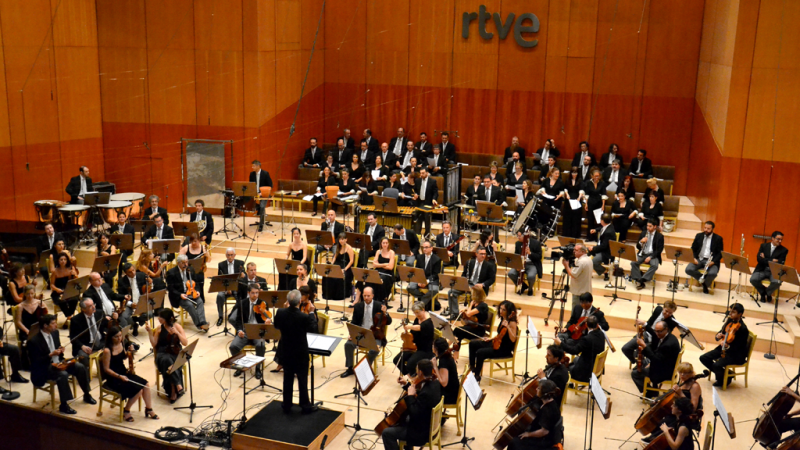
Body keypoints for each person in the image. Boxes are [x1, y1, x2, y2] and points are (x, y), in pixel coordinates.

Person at [29, 314, 94, 414]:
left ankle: (87, 394)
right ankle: (64, 405)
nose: (56, 325)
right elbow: (35, 361)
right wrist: (50, 355)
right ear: (45, 326)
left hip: (59, 362)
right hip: (44, 368)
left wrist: (60, 350)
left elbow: (57, 347)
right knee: (63, 375)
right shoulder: (34, 341)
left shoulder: (55, 333)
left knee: (79, 367)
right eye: (53, 323)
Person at [381, 359, 442, 450]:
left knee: (387, 433)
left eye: (417, 370)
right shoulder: (435, 383)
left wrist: (410, 396)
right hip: (428, 425)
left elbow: (414, 413)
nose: (416, 373)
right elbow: (419, 396)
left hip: (420, 433)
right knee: (401, 420)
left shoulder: (426, 392)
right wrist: (406, 384)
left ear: (420, 372)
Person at [274, 289, 317, 413]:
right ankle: (305, 405)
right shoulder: (304, 316)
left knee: (287, 379)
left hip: (286, 352)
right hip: (300, 353)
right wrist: (311, 313)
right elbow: (313, 329)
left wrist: (283, 310)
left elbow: (276, 325)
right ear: (299, 302)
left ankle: (286, 404)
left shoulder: (280, 312)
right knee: (302, 380)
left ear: (287, 301)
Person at [102, 327, 158, 421]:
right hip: (114, 378)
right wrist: (119, 376)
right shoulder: (107, 351)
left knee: (146, 384)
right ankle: (126, 410)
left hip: (124, 372)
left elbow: (123, 357)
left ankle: (149, 409)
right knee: (138, 390)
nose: (119, 338)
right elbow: (106, 369)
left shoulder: (121, 343)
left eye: (120, 335)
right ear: (111, 337)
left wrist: (130, 352)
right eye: (116, 337)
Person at [641, 362, 705, 443]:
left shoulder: (694, 386)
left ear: (691, 373)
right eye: (680, 372)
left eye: (685, 373)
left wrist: (680, 393)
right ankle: (656, 438)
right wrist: (661, 400)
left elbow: (693, 407)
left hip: (686, 415)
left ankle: (658, 440)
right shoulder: (682, 382)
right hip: (677, 410)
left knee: (664, 422)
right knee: (655, 420)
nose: (682, 375)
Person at [340, 287, 390, 378]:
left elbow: (389, 322)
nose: (366, 298)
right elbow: (354, 322)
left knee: (374, 350)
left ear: (372, 296)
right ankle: (350, 368)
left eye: (368, 296)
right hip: (361, 334)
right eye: (364, 296)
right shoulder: (358, 306)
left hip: (375, 335)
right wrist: (352, 334)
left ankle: (365, 368)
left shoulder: (379, 306)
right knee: (348, 344)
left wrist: (385, 313)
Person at [700, 303, 749, 387]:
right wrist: (718, 336)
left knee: (716, 365)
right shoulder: (729, 321)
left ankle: (722, 380)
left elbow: (739, 347)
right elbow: (721, 332)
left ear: (740, 314)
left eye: (733, 312)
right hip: (723, 349)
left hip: (735, 355)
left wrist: (728, 346)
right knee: (703, 358)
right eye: (730, 311)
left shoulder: (743, 329)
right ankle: (726, 375)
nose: (730, 313)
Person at [506, 380, 563, 450]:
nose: (536, 389)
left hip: (545, 441)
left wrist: (528, 434)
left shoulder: (548, 410)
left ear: (544, 393)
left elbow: (544, 431)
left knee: (514, 442)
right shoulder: (550, 402)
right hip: (544, 436)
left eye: (538, 388)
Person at [468, 300, 517, 383]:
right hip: (497, 343)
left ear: (508, 311)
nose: (501, 311)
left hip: (503, 349)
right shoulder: (503, 319)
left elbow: (513, 339)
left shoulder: (512, 323)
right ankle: (472, 367)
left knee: (480, 352)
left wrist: (508, 327)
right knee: (472, 343)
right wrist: (490, 339)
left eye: (504, 310)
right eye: (500, 308)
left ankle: (477, 376)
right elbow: (500, 335)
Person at [145, 309, 186, 403]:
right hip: (162, 353)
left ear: (167, 318)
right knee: (167, 361)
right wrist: (150, 332)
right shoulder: (159, 328)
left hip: (175, 353)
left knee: (169, 363)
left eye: (161, 317)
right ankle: (177, 384)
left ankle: (173, 390)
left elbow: (185, 342)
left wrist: (177, 333)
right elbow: (154, 344)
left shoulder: (177, 326)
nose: (158, 319)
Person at [230, 283, 271, 378]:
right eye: (253, 293)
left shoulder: (263, 304)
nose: (255, 295)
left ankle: (258, 368)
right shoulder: (242, 303)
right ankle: (240, 366)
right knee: (233, 346)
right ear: (248, 293)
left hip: (258, 331)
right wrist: (239, 330)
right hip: (245, 331)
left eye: (257, 293)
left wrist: (267, 322)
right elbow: (238, 320)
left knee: (261, 345)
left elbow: (266, 319)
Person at [621, 300, 679, 365]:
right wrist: (643, 326)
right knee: (626, 348)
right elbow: (649, 322)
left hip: (655, 342)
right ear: (663, 308)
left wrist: (645, 324)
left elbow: (658, 336)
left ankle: (641, 365)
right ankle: (636, 362)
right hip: (646, 334)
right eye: (666, 311)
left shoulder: (672, 322)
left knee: (642, 352)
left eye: (670, 313)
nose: (667, 314)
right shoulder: (658, 310)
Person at [630, 320, 680, 395]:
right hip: (666, 364)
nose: (657, 334)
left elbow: (656, 360)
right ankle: (653, 387)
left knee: (635, 374)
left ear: (666, 329)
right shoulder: (671, 337)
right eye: (656, 331)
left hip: (664, 372)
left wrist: (644, 346)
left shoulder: (667, 345)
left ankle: (651, 392)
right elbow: (659, 357)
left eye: (659, 331)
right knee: (642, 362)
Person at [448, 247, 496, 321]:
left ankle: (470, 316)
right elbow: (464, 274)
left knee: (473, 298)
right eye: (481, 254)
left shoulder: (489, 265)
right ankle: (455, 314)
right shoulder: (469, 262)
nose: (483, 256)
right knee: (451, 292)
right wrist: (464, 281)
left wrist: (482, 284)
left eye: (484, 254)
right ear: (476, 254)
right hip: (468, 285)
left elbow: (492, 279)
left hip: (479, 288)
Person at [554, 315, 605, 383]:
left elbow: (574, 351)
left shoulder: (587, 339)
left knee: (564, 369)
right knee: (575, 359)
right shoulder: (601, 334)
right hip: (596, 367)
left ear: (586, 325)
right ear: (597, 324)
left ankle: (568, 384)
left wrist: (560, 343)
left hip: (587, 373)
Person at [166, 254, 209, 331]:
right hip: (180, 296)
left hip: (191, 292)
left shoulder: (190, 269)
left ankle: (203, 321)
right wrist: (180, 295)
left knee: (200, 301)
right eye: (183, 263)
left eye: (186, 262)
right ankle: (199, 325)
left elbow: (196, 282)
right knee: (190, 305)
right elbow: (170, 288)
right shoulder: (171, 273)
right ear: (178, 263)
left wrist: (197, 291)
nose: (185, 265)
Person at [394, 301, 435, 377]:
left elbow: (420, 327)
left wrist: (409, 326)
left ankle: (416, 379)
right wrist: (406, 345)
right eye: (415, 313)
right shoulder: (417, 319)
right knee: (397, 360)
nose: (416, 315)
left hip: (425, 350)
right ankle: (411, 377)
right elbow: (412, 334)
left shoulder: (429, 322)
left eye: (418, 312)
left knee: (410, 364)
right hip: (414, 347)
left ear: (423, 310)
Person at [69, 297, 110, 370]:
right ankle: (87, 376)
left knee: (116, 347)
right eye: (90, 306)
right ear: (83, 309)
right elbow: (73, 338)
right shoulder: (75, 320)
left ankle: (108, 372)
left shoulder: (100, 313)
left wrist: (114, 319)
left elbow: (107, 326)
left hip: (101, 342)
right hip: (86, 345)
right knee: (83, 357)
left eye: (93, 304)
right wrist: (82, 346)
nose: (94, 307)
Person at [685, 221, 724, 294]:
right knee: (688, 269)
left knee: (713, 274)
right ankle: (705, 283)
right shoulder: (699, 236)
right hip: (699, 259)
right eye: (705, 228)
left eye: (708, 229)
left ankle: (705, 281)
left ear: (712, 229)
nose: (706, 230)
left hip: (711, 261)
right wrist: (694, 258)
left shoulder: (718, 239)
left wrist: (713, 262)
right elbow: (693, 248)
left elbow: (720, 253)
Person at [452, 286, 491, 358]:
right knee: (458, 332)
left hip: (479, 330)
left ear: (477, 295)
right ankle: (455, 353)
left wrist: (470, 306)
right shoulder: (475, 303)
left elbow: (469, 314)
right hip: (472, 326)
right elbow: (469, 314)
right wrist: (464, 311)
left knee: (457, 330)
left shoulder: (483, 305)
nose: (471, 295)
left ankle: (454, 352)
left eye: (473, 293)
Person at [750, 231, 788, 303]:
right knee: (753, 279)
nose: (780, 241)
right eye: (778, 239)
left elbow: (781, 262)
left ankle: (767, 293)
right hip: (762, 269)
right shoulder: (763, 246)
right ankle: (763, 292)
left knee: (777, 282)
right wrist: (772, 260)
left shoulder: (784, 250)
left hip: (774, 271)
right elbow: (759, 259)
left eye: (781, 239)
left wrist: (765, 259)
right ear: (772, 238)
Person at [407, 240, 442, 311]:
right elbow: (417, 270)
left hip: (432, 279)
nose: (424, 249)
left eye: (426, 247)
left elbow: (436, 274)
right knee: (410, 287)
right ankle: (425, 300)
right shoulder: (419, 257)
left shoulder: (437, 259)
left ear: (431, 248)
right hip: (420, 278)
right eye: (423, 247)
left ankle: (421, 303)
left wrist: (427, 281)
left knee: (434, 290)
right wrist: (419, 280)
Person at [631, 219, 664, 290]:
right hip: (643, 253)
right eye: (647, 226)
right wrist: (641, 242)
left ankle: (642, 280)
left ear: (655, 226)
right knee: (633, 262)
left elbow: (659, 250)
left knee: (655, 265)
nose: (648, 228)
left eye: (650, 226)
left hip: (653, 255)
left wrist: (650, 257)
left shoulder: (659, 236)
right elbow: (637, 246)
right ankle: (638, 278)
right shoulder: (643, 233)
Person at [117, 263, 151, 334]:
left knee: (150, 313)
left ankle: (138, 321)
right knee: (124, 316)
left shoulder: (141, 275)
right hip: (130, 303)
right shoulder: (121, 281)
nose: (133, 273)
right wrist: (130, 304)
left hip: (141, 302)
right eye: (130, 272)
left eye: (133, 270)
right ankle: (134, 324)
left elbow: (149, 288)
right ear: (125, 273)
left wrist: (151, 283)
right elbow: (122, 296)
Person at [214, 248, 245, 325]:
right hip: (225, 287)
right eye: (228, 255)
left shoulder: (240, 263)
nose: (230, 257)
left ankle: (232, 314)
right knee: (219, 296)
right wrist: (226, 289)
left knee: (240, 298)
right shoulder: (221, 265)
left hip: (236, 287)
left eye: (231, 255)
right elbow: (220, 279)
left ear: (234, 255)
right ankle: (220, 317)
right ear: (226, 255)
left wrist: (243, 275)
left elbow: (243, 277)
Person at [508, 231, 542, 296]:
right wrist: (517, 265)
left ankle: (530, 288)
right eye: (517, 235)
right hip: (521, 263)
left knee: (531, 276)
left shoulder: (536, 243)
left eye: (519, 236)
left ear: (525, 236)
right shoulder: (518, 243)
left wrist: (530, 253)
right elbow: (516, 256)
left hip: (531, 264)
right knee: (511, 273)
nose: (518, 237)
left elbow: (539, 257)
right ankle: (523, 286)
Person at [179, 233, 211, 303]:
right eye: (192, 241)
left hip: (198, 270)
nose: (193, 243)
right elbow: (179, 259)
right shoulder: (186, 248)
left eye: (195, 241)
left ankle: (199, 295)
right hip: (188, 270)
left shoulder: (202, 248)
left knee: (200, 276)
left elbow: (208, 260)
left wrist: (206, 254)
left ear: (199, 241)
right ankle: (189, 295)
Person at [322, 233, 354, 301]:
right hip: (337, 265)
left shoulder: (349, 248)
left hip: (346, 267)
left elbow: (351, 261)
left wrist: (344, 269)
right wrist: (331, 265)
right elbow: (335, 257)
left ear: (346, 239)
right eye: (340, 239)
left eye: (343, 239)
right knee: (327, 274)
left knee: (338, 277)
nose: (341, 241)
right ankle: (328, 295)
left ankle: (338, 296)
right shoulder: (338, 247)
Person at [50, 252, 79, 326]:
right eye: (61, 259)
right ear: (58, 261)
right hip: (58, 291)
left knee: (75, 299)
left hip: (68, 289)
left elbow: (76, 281)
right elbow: (52, 284)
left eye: (65, 259)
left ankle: (68, 317)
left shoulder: (71, 268)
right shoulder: (55, 271)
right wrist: (57, 289)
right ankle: (69, 317)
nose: (63, 261)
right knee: (61, 301)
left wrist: (74, 275)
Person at [562, 243, 592, 308]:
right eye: (574, 250)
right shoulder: (588, 259)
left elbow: (573, 275)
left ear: (582, 252)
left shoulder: (581, 262)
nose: (574, 252)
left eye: (576, 250)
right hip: (585, 290)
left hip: (579, 292)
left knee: (576, 310)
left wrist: (566, 265)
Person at [587, 214, 616, 280]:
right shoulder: (609, 226)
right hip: (601, 248)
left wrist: (593, 248)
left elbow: (604, 246)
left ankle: (605, 272)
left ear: (602, 221)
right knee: (584, 251)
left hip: (606, 252)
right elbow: (602, 228)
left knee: (594, 262)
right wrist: (595, 230)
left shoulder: (609, 232)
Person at [412, 168, 439, 237]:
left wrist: (434, 199)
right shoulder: (418, 180)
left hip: (428, 203)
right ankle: (417, 236)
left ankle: (427, 236)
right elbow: (415, 190)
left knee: (427, 221)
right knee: (418, 220)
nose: (421, 175)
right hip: (419, 203)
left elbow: (435, 192)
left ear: (427, 173)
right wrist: (415, 194)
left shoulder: (432, 181)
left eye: (423, 173)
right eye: (420, 173)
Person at [431, 338, 458, 405]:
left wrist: (435, 367)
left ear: (436, 348)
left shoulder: (444, 361)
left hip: (449, 396)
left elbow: (444, 383)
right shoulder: (447, 356)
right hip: (453, 391)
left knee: (428, 395)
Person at [249, 160, 274, 230]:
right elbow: (250, 185)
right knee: (248, 202)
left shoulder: (265, 174)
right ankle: (258, 210)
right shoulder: (252, 174)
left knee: (262, 206)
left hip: (264, 194)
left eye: (253, 166)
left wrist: (262, 192)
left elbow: (270, 185)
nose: (252, 167)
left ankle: (261, 224)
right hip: (255, 194)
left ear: (258, 166)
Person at [370, 238, 396, 303]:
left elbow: (390, 267)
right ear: (381, 244)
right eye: (383, 243)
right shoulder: (378, 251)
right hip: (378, 271)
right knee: (369, 278)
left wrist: (379, 264)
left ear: (388, 244)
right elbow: (374, 265)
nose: (385, 244)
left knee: (381, 280)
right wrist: (384, 264)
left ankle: (381, 299)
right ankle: (371, 298)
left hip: (388, 273)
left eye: (386, 243)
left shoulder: (391, 252)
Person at [583, 169, 607, 238]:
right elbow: (587, 194)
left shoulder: (602, 183)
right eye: (595, 176)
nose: (597, 177)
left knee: (598, 221)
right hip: (590, 202)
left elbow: (603, 195)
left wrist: (603, 205)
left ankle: (597, 237)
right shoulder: (588, 183)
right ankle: (589, 237)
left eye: (598, 176)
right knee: (590, 220)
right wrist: (586, 204)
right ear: (592, 176)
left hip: (599, 203)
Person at [561, 168, 583, 238]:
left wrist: (579, 197)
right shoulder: (568, 180)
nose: (574, 174)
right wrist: (567, 195)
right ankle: (567, 234)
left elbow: (581, 190)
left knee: (576, 218)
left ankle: (575, 234)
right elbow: (565, 189)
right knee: (567, 217)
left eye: (575, 173)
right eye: (573, 173)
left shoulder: (580, 181)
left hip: (576, 200)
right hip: (569, 200)